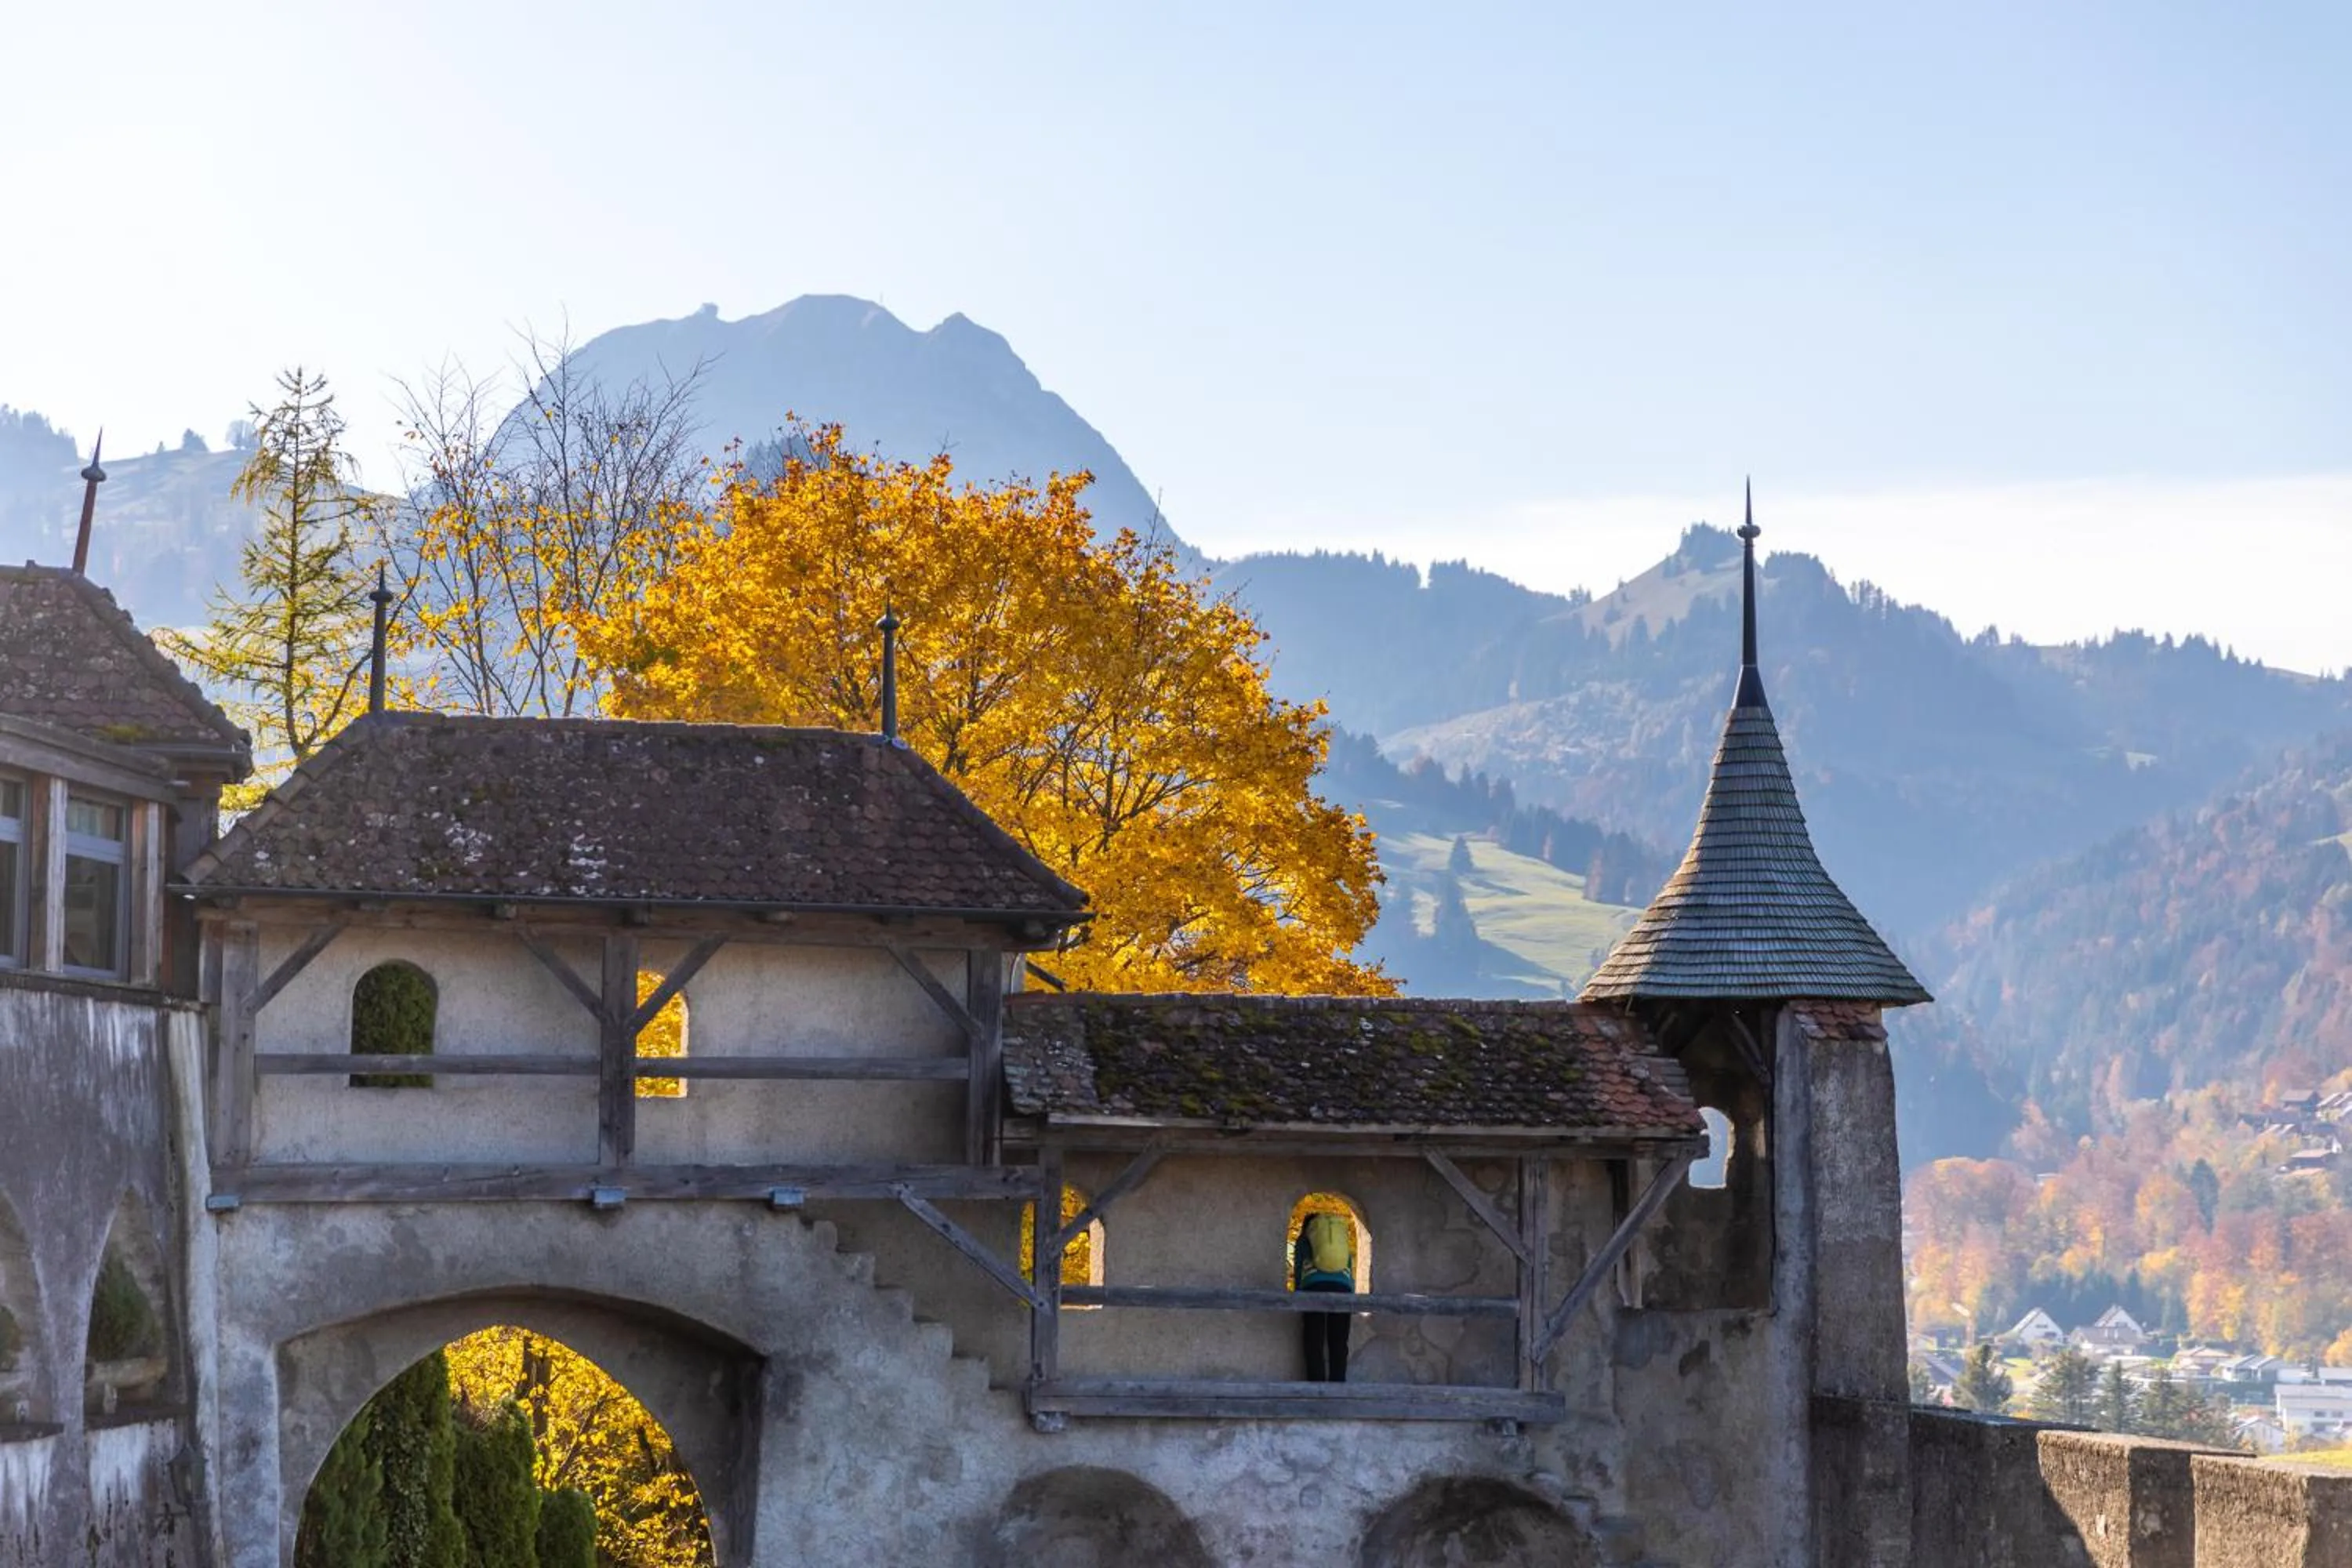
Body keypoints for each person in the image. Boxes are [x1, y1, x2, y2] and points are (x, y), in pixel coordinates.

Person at [1293, 1208, 1357, 1381]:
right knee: (1339, 1341)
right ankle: (1338, 1385)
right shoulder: (1341, 1240)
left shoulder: (1305, 1239)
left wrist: (1297, 1296)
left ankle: (1316, 1386)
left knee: (1314, 1339)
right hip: (1343, 1288)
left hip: (1314, 1286)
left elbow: (1299, 1268)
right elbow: (1350, 1268)